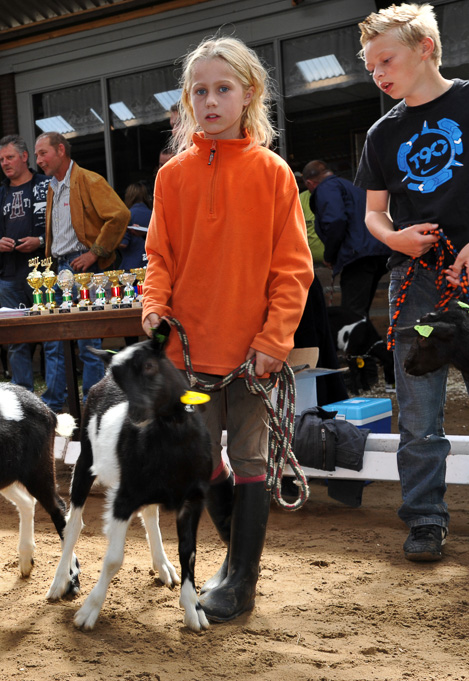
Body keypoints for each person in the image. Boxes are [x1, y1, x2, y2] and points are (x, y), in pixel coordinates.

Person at [141, 37, 312, 622]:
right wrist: (153, 303)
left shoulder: (273, 173)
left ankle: (242, 579)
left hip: (253, 360)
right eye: (200, 91)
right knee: (201, 456)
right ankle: (235, 563)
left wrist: (274, 339)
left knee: (248, 458)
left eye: (223, 89)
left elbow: (293, 267)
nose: (210, 101)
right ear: (188, 100)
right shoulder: (172, 177)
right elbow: (158, 256)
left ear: (249, 94)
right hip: (189, 360)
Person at [355, 3, 469, 562]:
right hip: (419, 284)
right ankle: (426, 519)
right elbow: (373, 215)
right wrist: (397, 240)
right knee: (418, 406)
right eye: (369, 67)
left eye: (386, 59)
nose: (378, 73)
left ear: (425, 47)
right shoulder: (383, 133)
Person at [34, 131, 129, 402]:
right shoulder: (53, 185)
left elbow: (120, 214)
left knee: (88, 343)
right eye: (38, 154)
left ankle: (93, 400)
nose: (39, 160)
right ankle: (54, 401)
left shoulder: (89, 179)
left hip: (84, 267)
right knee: (54, 341)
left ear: (61, 150)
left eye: (43, 153)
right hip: (61, 268)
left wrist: (95, 253)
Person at [0, 134, 65, 410]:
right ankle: (22, 401)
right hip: (10, 277)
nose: (5, 163)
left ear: (25, 157)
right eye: (1, 159)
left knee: (53, 337)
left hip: (45, 274)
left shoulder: (47, 186)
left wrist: (39, 241)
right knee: (16, 341)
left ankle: (54, 400)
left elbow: (61, 226)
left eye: (10, 157)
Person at [303, 160, 391, 317]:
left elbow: (335, 220)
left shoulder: (326, 188)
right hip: (377, 252)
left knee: (352, 315)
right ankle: (366, 340)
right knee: (360, 312)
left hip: (358, 256)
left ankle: (358, 340)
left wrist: (330, 255)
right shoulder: (351, 187)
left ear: (310, 183)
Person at [116, 180, 152, 271]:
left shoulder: (127, 215)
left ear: (128, 196)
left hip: (131, 267)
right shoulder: (154, 214)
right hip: (150, 265)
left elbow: (123, 244)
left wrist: (107, 242)